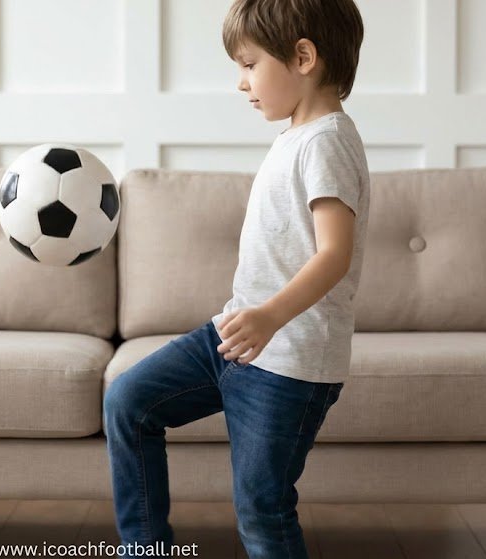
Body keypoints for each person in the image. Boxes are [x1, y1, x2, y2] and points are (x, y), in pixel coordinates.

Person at [102, 0, 369, 557]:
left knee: (261, 511)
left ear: (303, 57)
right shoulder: (296, 136)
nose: (241, 82)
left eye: (249, 65)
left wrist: (270, 317)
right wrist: (254, 320)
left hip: (289, 362)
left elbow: (334, 254)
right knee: (129, 400)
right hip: (235, 338)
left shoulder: (327, 141)